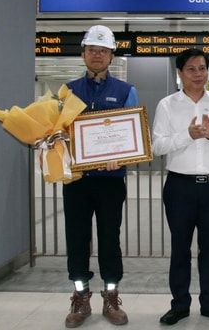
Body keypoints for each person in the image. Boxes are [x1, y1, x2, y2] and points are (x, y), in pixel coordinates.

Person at [152, 48, 209, 325]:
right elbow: (157, 146)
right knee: (180, 248)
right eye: (191, 69)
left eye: (202, 68)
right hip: (179, 187)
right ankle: (179, 305)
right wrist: (186, 136)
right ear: (179, 73)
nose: (198, 74)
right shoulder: (167, 105)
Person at [63, 25, 138, 328]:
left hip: (110, 181)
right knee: (77, 238)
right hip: (77, 181)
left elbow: (134, 137)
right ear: (83, 54)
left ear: (111, 55)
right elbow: (59, 132)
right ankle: (80, 298)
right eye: (92, 50)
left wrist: (122, 156)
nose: (97, 54)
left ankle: (111, 296)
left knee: (110, 238)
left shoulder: (124, 91)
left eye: (103, 50)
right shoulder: (67, 91)